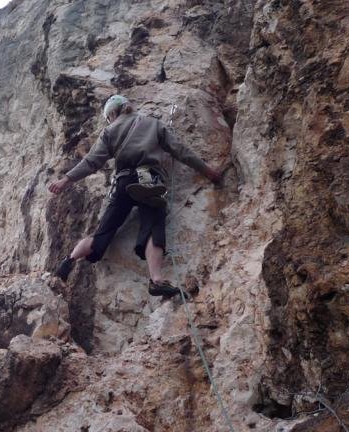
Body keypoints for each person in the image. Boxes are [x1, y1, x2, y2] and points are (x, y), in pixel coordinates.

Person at [48, 94, 223, 297]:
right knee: (154, 225)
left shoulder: (110, 130)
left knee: (102, 232)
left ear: (112, 114)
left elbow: (91, 161)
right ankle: (156, 280)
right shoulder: (153, 124)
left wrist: (65, 180)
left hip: (123, 181)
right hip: (149, 178)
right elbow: (180, 151)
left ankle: (69, 260)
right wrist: (207, 171)